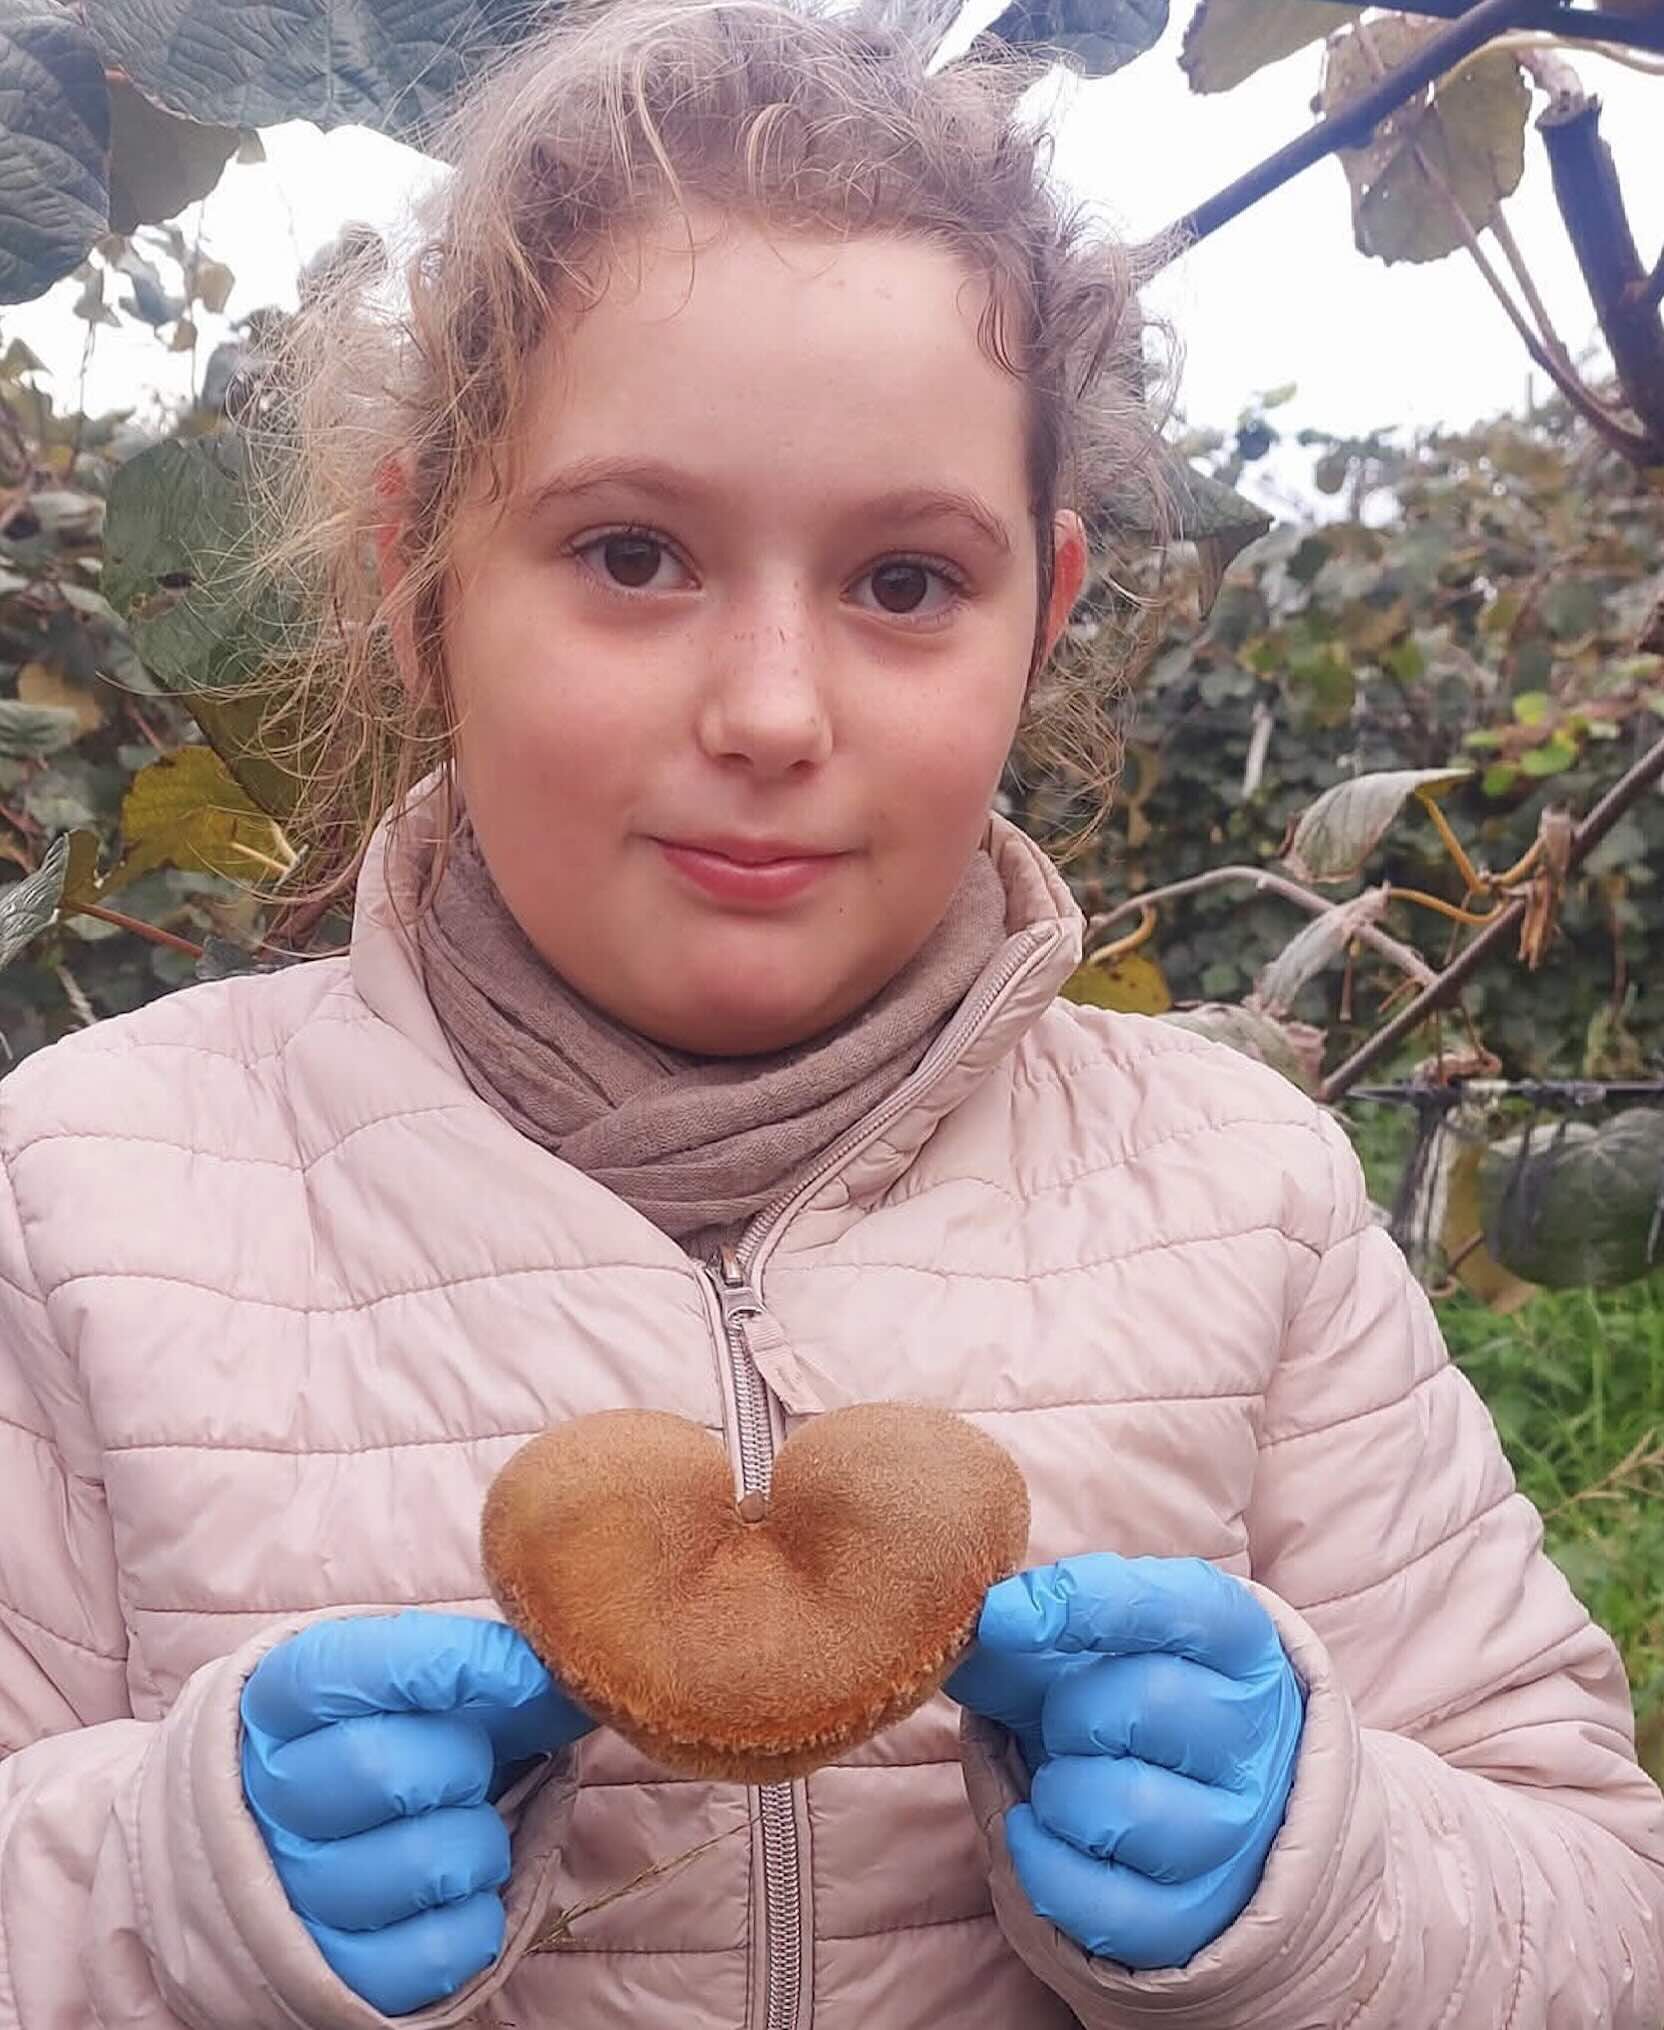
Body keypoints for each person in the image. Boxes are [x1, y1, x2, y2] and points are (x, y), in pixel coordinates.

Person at [0, 2, 1660, 2024]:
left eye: (901, 583)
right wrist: (156, 1893)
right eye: (632, 552)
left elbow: (1600, 1908)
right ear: (423, 571)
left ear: (1040, 616)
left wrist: (1333, 1873)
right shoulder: (82, 1195)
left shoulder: (1245, 1201)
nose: (772, 711)